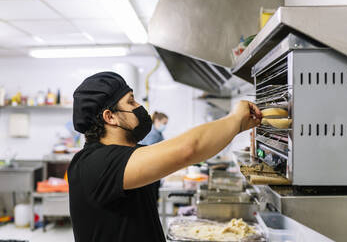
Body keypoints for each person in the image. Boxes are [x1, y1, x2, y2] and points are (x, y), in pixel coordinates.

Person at [68, 72, 262, 242]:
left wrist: (237, 127)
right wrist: (235, 119)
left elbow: (193, 149)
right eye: (130, 102)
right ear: (110, 117)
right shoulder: (94, 164)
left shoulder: (125, 155)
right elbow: (189, 149)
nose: (139, 107)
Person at [141, 111, 169, 202]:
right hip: (148, 170)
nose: (165, 126)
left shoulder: (157, 133)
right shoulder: (152, 134)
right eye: (164, 123)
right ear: (157, 120)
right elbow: (151, 153)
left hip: (153, 170)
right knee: (151, 198)